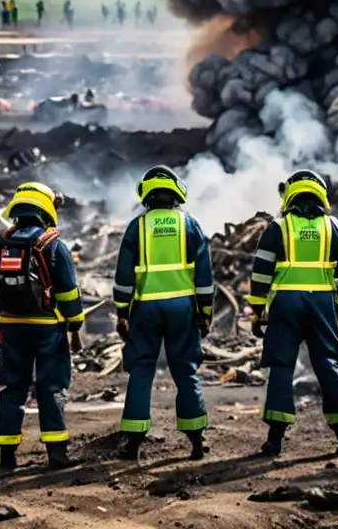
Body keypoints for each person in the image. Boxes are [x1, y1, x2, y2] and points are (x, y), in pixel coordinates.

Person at [247, 170, 338, 458]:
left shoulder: (278, 227)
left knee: (281, 368)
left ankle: (274, 442)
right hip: (322, 305)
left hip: (285, 305)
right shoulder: (333, 226)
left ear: (290, 195)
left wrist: (257, 311)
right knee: (329, 366)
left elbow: (261, 274)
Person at [0, 182, 84, 470]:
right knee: (51, 387)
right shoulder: (52, 244)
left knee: (11, 387)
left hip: (11, 327)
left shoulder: (0, 244)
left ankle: (7, 455)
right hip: (48, 327)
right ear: (45, 208)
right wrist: (75, 321)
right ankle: (56, 453)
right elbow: (68, 291)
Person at [113, 166, 213, 461]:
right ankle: (196, 443)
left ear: (146, 195)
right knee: (185, 369)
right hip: (183, 307)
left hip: (145, 308)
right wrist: (205, 311)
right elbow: (205, 277)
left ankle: (132, 445)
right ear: (176, 193)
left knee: (141, 369)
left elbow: (123, 277)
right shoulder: (190, 225)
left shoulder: (137, 227)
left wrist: (122, 311)